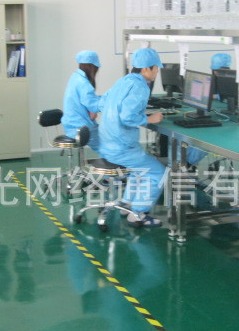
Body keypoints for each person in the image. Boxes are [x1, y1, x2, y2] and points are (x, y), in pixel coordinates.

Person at [99, 47, 166, 227]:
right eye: (155, 68)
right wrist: (150, 118)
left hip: (108, 142)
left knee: (140, 168)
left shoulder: (124, 81)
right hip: (121, 147)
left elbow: (103, 102)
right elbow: (127, 117)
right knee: (158, 173)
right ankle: (138, 214)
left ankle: (127, 204)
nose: (157, 72)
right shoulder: (140, 86)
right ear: (145, 69)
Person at [61, 50, 102, 152]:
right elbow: (94, 108)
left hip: (71, 128)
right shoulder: (84, 83)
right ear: (92, 67)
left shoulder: (75, 77)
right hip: (82, 130)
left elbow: (89, 103)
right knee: (111, 148)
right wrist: (110, 101)